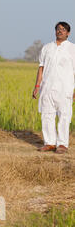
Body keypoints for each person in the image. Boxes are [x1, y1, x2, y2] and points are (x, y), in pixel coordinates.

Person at [33, 21, 75, 154]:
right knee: (47, 115)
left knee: (64, 116)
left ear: (68, 33)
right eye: (58, 29)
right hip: (47, 88)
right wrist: (37, 86)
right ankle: (49, 143)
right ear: (55, 31)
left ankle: (62, 144)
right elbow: (41, 68)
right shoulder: (47, 48)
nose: (60, 31)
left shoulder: (72, 49)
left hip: (65, 88)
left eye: (63, 29)